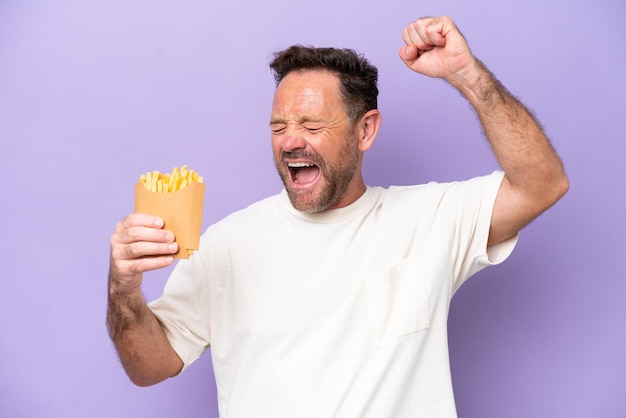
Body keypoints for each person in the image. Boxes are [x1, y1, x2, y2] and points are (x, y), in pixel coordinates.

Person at [107, 16, 568, 418]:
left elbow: (542, 184)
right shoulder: (227, 243)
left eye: (311, 125)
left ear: (365, 130)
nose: (290, 141)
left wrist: (468, 75)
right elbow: (150, 367)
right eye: (278, 126)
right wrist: (123, 289)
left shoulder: (431, 219)